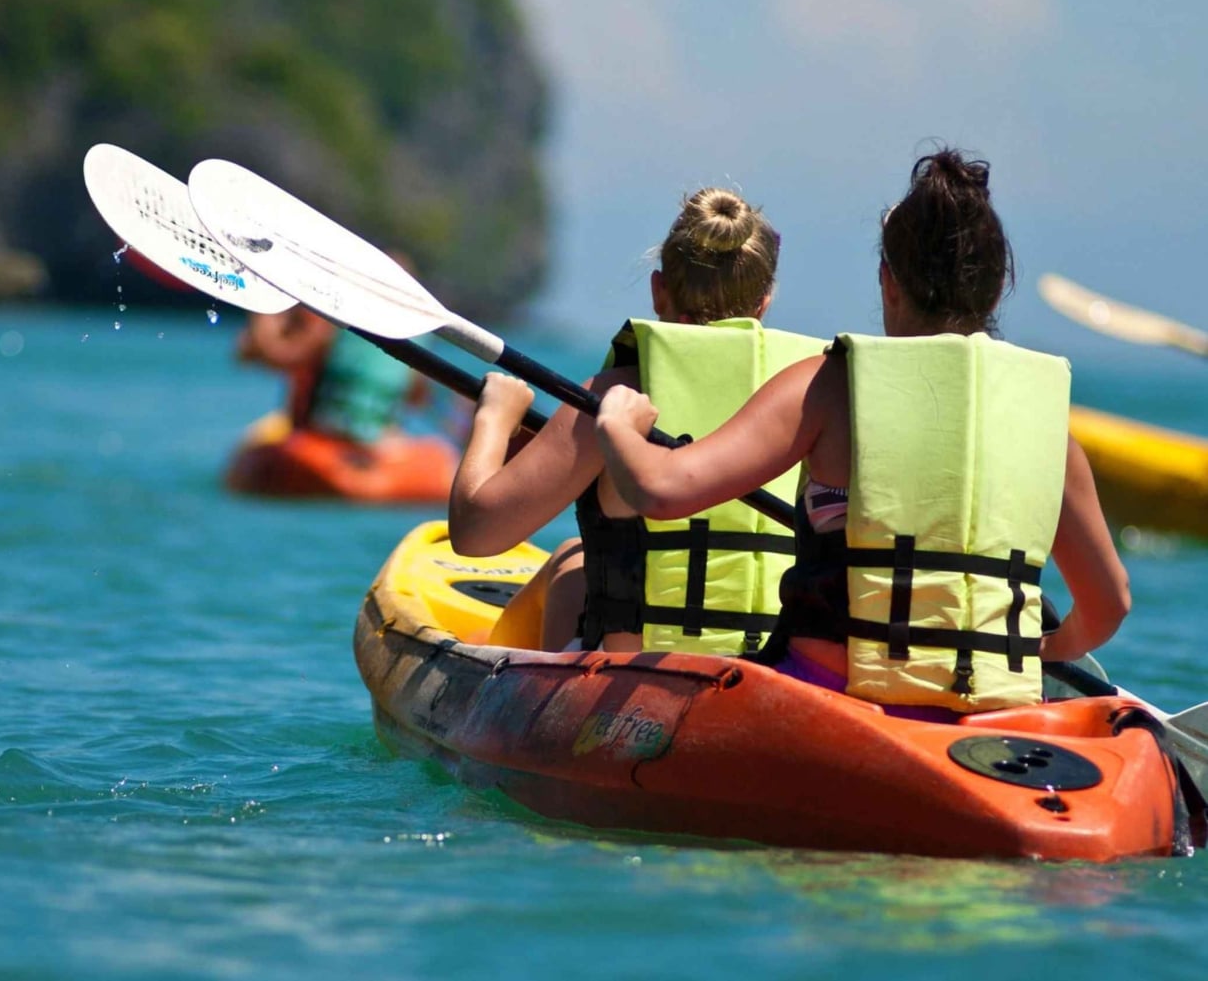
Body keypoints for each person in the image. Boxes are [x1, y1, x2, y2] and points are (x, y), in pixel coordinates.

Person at [595, 149, 1129, 719]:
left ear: (888, 283)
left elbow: (663, 489)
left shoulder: (831, 388)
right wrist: (1048, 649)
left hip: (831, 698)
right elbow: (1109, 604)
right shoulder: (1047, 426)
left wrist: (619, 422)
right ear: (997, 292)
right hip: (990, 715)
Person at [449, 187, 824, 652]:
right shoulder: (813, 398)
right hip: (774, 669)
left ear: (657, 291)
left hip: (629, 678)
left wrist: (495, 418)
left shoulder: (618, 393)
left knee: (570, 564)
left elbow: (475, 535)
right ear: (764, 303)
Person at [236, 302, 425, 445]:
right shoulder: (412, 328)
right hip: (384, 436)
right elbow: (417, 396)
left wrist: (259, 315)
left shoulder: (328, 314)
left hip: (325, 431)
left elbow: (275, 355)